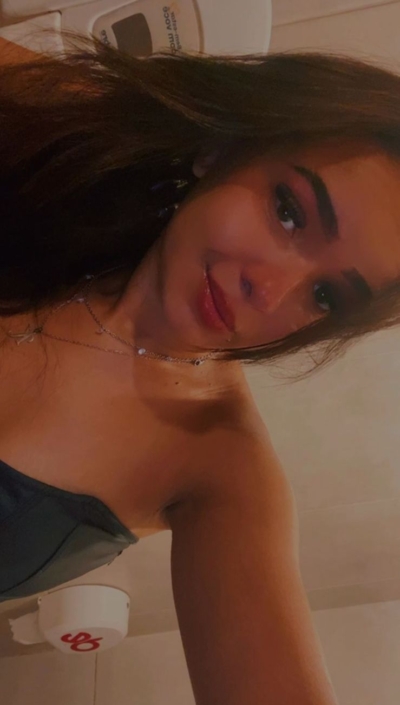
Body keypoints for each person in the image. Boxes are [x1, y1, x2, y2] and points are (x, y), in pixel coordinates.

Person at [0, 31, 400, 704]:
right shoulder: (76, 140)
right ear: (224, 148)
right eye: (289, 212)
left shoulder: (219, 471)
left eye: (326, 295)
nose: (269, 291)